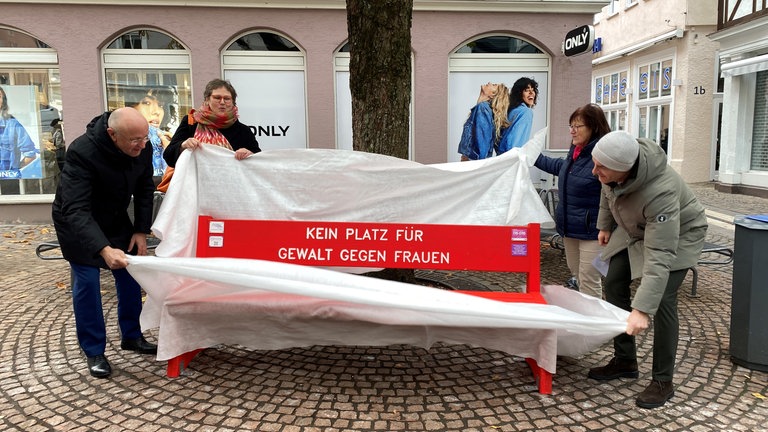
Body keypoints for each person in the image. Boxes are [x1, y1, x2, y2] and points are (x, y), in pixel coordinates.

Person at [587, 130, 707, 409]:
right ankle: (625, 360)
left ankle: (663, 381)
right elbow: (608, 192)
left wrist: (641, 309)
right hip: (637, 229)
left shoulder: (661, 190)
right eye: (595, 163)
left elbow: (661, 254)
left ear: (624, 168)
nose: (595, 171)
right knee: (614, 280)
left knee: (662, 298)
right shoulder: (613, 168)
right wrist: (605, 224)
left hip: (679, 234)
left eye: (601, 166)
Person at [52, 107, 158, 379]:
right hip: (76, 219)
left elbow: (145, 188)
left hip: (114, 216)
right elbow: (75, 209)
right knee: (87, 282)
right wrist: (103, 248)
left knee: (130, 272)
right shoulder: (81, 152)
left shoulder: (142, 144)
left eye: (145, 138)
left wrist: (140, 230)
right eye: (135, 140)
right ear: (113, 135)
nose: (142, 145)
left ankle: (132, 336)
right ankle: (94, 350)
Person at [533, 103, 610, 298]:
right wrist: (532, 155)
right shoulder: (576, 152)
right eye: (571, 126)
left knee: (589, 279)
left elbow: (613, 196)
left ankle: (594, 325)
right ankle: (584, 317)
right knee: (576, 273)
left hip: (593, 231)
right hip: (570, 228)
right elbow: (561, 167)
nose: (572, 131)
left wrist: (606, 227)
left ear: (593, 127)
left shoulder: (603, 156)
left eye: (577, 126)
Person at [163, 78, 260, 169]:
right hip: (197, 185)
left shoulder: (243, 131)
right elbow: (169, 157)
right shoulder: (191, 123)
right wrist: (183, 145)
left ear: (233, 102)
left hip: (231, 185)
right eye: (217, 97)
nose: (222, 102)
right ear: (207, 100)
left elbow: (259, 162)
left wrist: (249, 155)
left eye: (227, 98)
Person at [457, 82, 510, 161]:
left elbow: (483, 143)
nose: (489, 83)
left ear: (492, 95)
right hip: (472, 162)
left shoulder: (482, 108)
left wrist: (478, 167)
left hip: (473, 162)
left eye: (494, 85)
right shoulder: (482, 108)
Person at [126, 88, 173, 177]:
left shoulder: (167, 140)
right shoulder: (124, 142)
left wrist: (171, 151)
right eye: (147, 103)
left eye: (161, 105)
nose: (156, 112)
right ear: (132, 108)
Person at [0, 85, 38, 178]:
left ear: (3, 101)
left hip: (8, 181)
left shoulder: (13, 124)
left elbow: (31, 154)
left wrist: (14, 169)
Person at [497, 77, 538, 154]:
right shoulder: (526, 112)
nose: (531, 93)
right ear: (519, 93)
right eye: (527, 90)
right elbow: (516, 141)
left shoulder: (510, 111)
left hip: (502, 157)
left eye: (533, 90)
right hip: (513, 158)